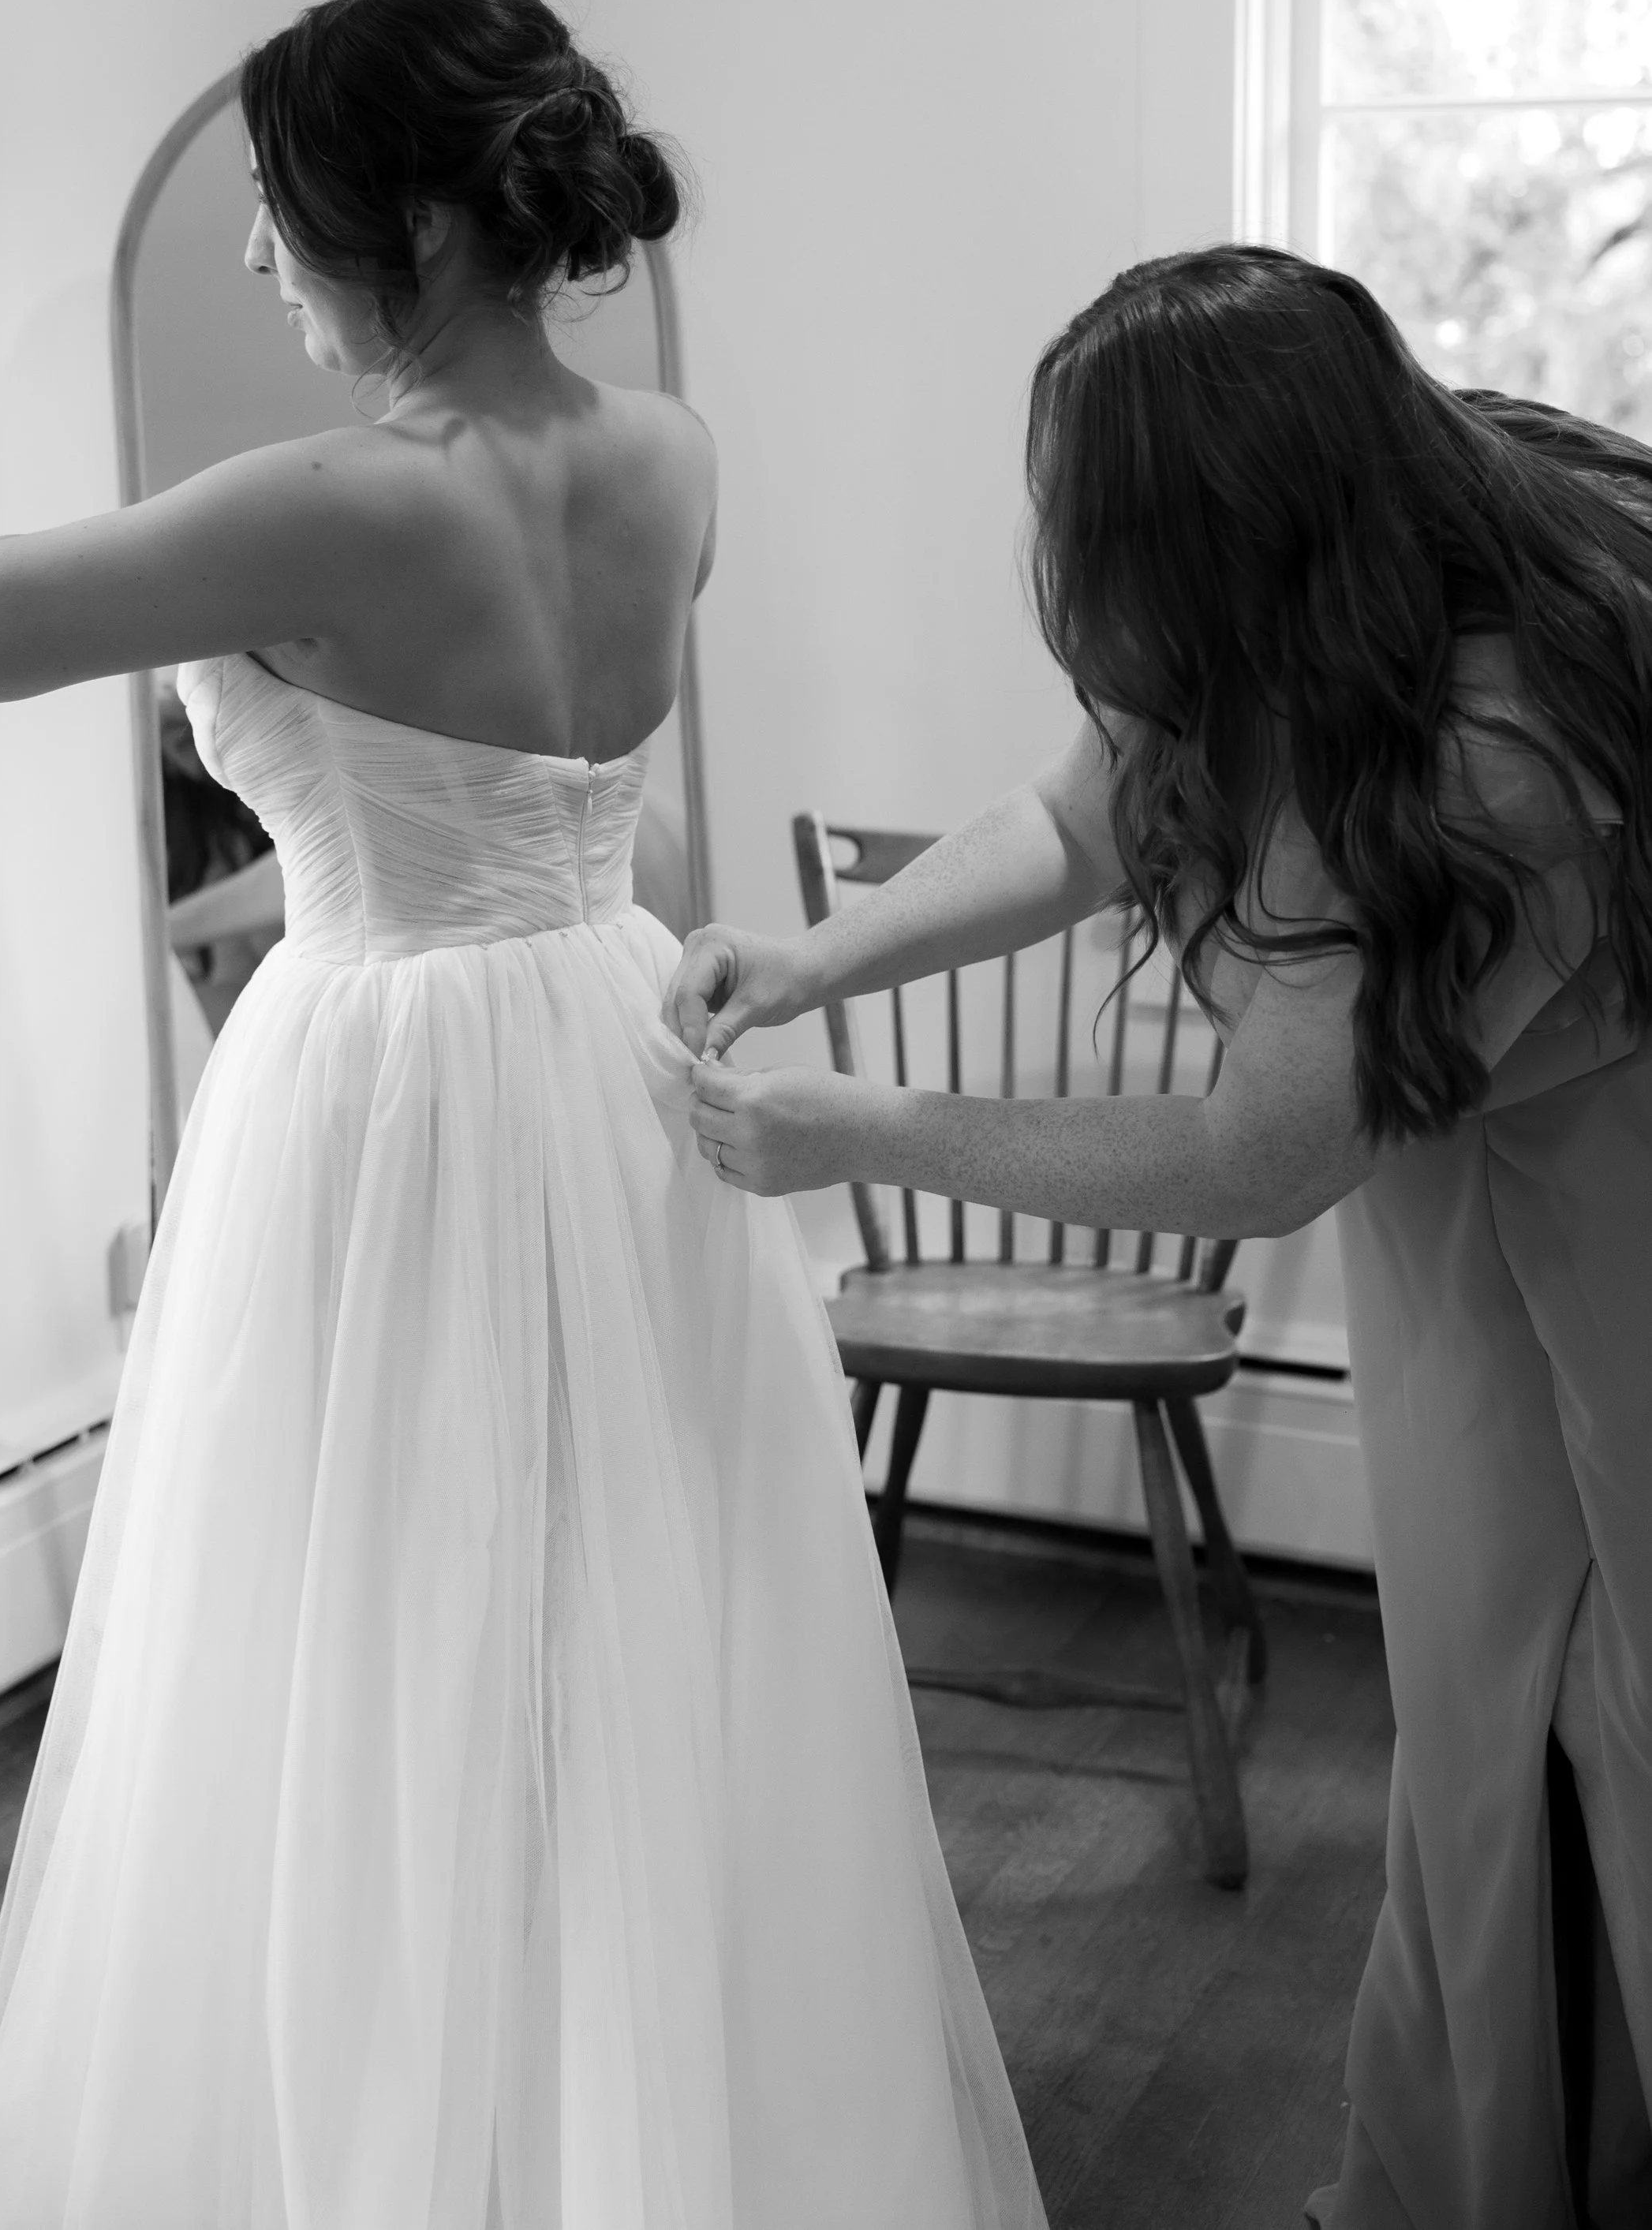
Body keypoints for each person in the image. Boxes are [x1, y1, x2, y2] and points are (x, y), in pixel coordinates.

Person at [0, 0, 1045, 2228]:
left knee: (377, 1611)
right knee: (614, 1588)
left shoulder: (317, 507)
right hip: (609, 1034)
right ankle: (622, 2106)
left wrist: (199, 546)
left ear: (406, 220)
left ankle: (423, 2115)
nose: (249, 255)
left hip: (389, 1069)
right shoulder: (669, 452)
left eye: (272, 206)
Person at [665, 245, 1652, 2230]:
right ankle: (1475, 2163)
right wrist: (819, 957)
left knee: (1605, 1718)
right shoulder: (1286, 611)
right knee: (1472, 1717)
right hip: (1455, 1200)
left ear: (1222, 538)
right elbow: (1073, 817)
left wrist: (858, 1123)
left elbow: (1249, 1157)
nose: (1055, 559)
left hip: (1616, 1212)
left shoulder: (1482, 748)